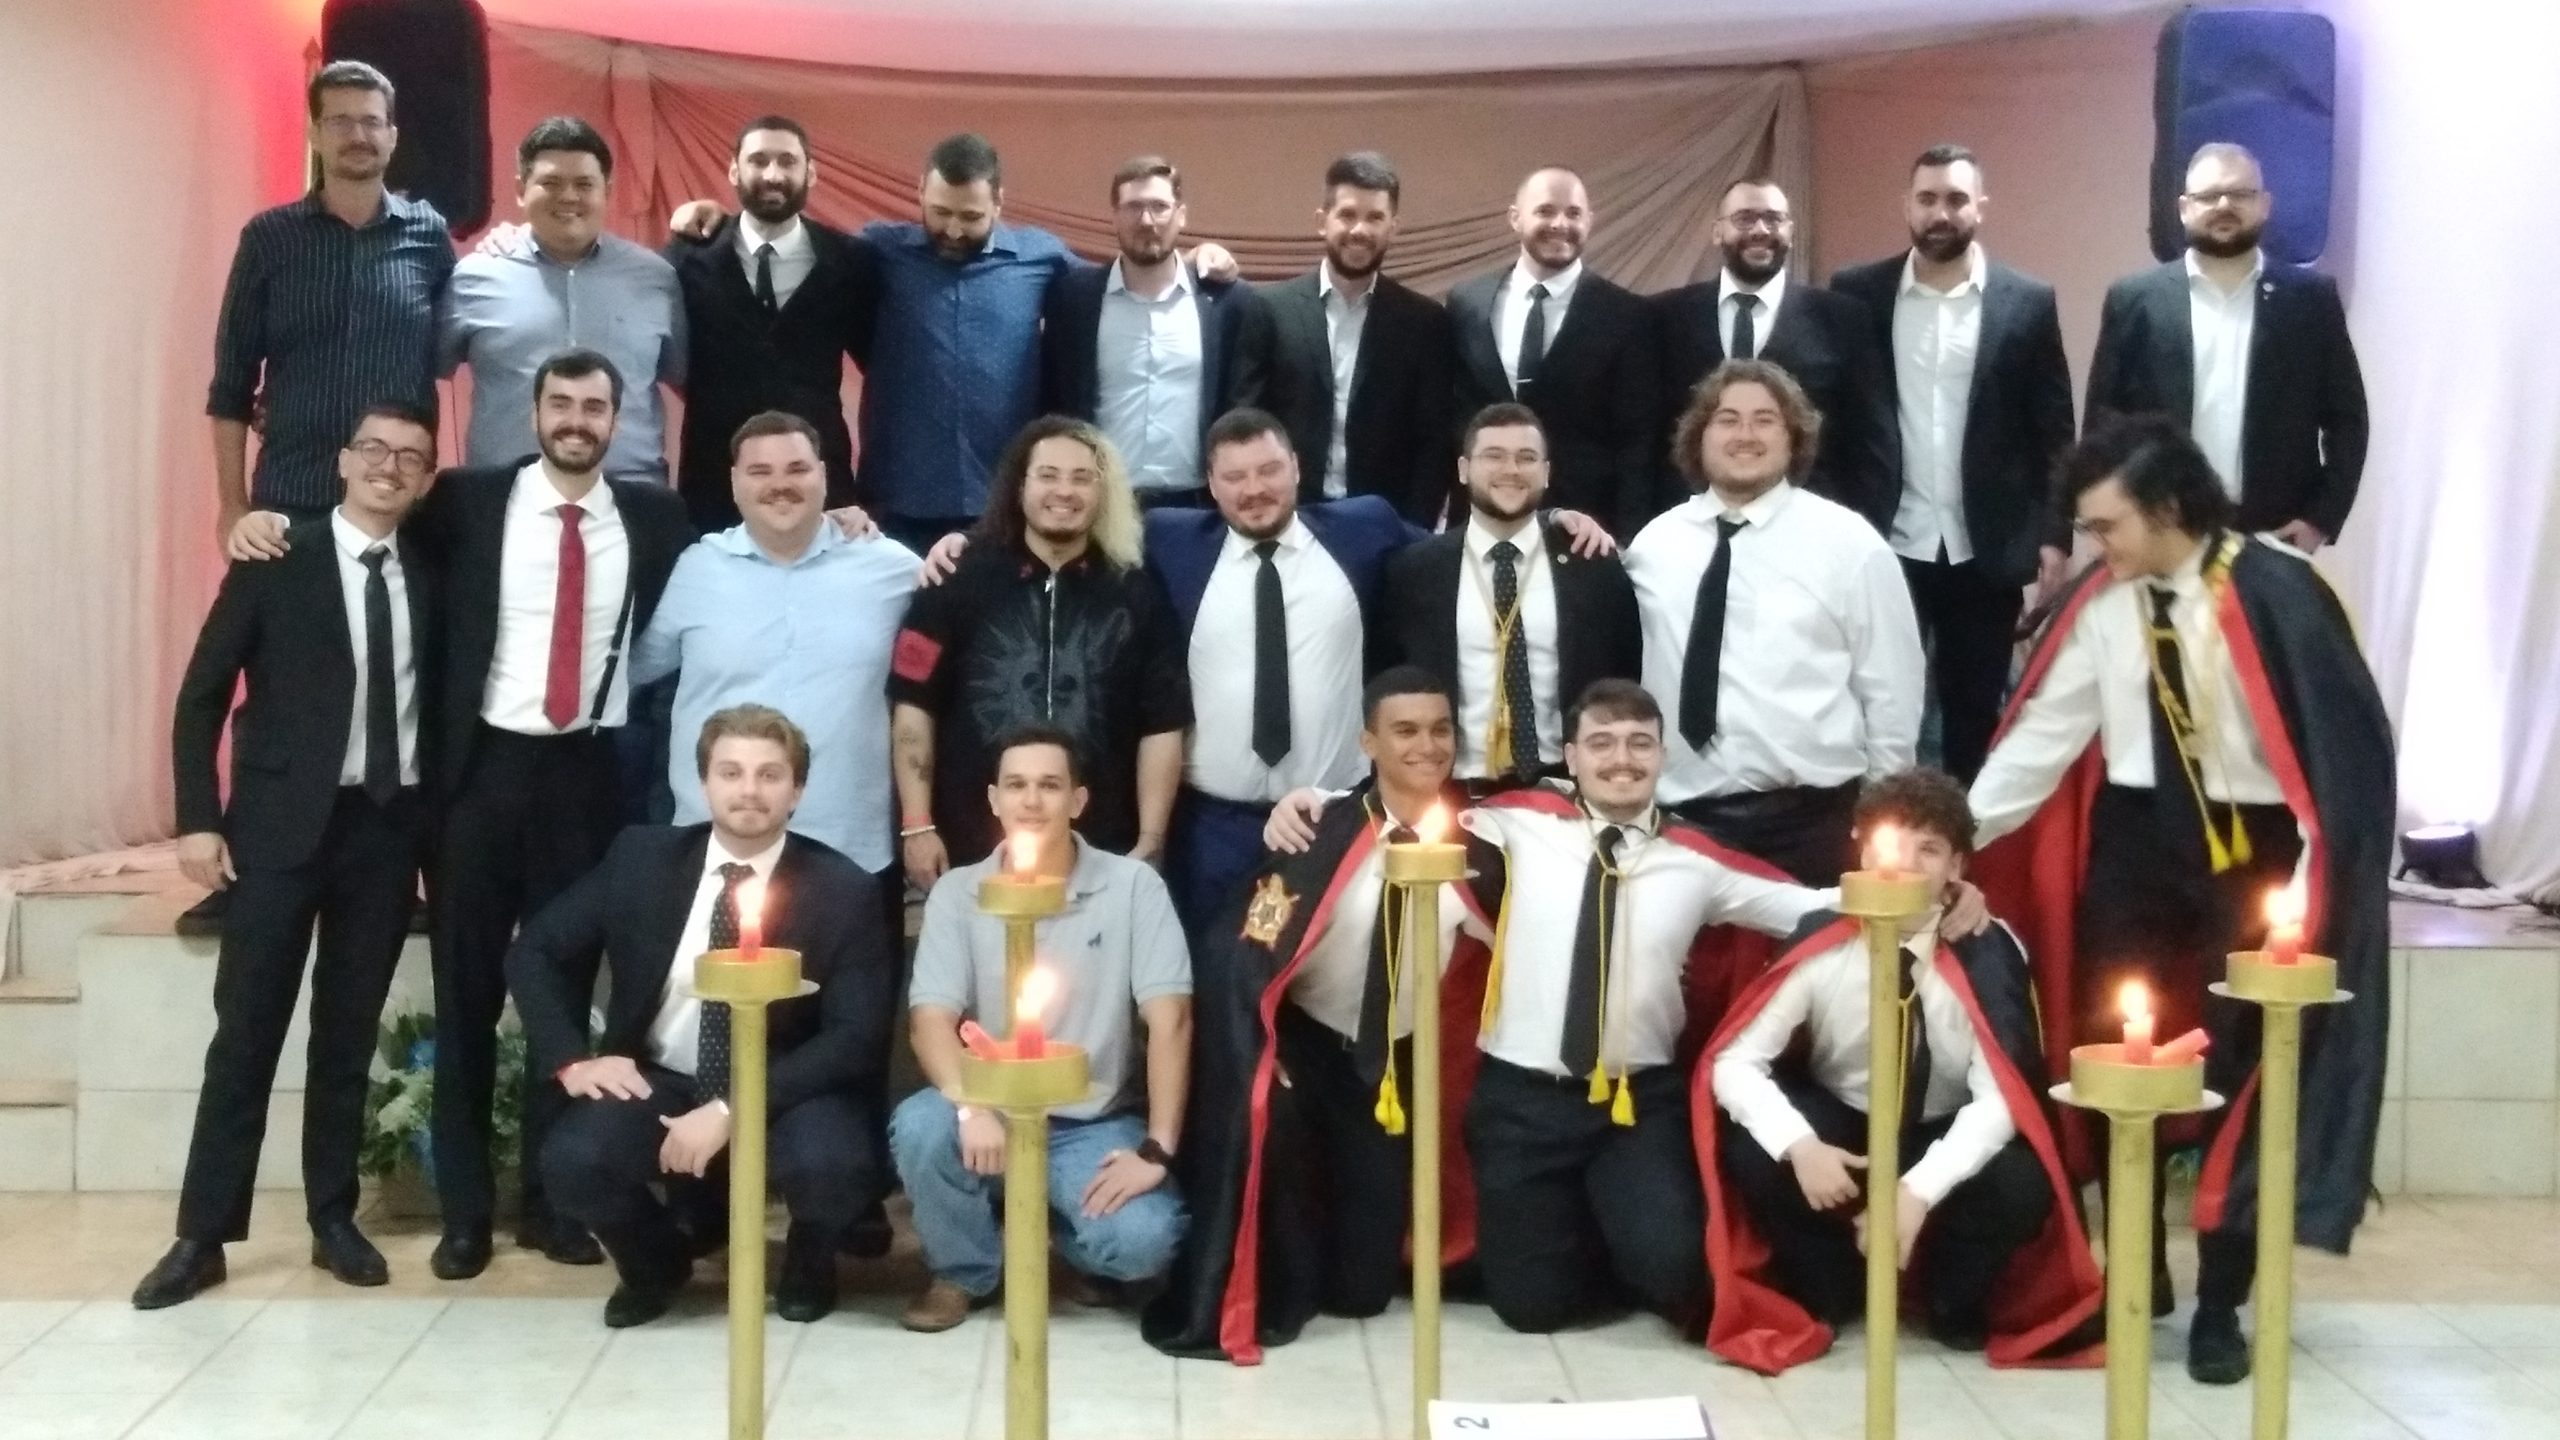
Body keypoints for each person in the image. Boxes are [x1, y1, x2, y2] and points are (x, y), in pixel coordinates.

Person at [1968, 415, 2394, 1384]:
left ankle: (2221, 1303)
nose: (2093, 546)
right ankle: (2138, 1271)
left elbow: (2335, 769)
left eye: (2105, 526)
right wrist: (1955, 834)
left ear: (2167, 510)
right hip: (2135, 849)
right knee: (2112, 1055)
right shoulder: (2102, 604)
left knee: (2246, 1075)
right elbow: (2044, 738)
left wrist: (2308, 899)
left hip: (2256, 860)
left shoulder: (2281, 592)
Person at [135, 405, 444, 1309]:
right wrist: (199, 820)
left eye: (412, 457)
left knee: (347, 1036)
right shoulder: (276, 556)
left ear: (427, 479)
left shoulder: (434, 570)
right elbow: (202, 697)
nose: (390, 466)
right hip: (276, 831)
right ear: (342, 461)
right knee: (246, 1033)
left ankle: (332, 1218)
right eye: (374, 449)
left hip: (384, 832)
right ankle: (203, 1235)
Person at [1145, 668, 1502, 1361]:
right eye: (1405, 731)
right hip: (1304, 1050)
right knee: (1271, 1135)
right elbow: (1243, 949)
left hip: (1389, 1065)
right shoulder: (1321, 831)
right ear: (1368, 742)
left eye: (1440, 730)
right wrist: (1258, 1046)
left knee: (1362, 1290)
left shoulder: (1481, 844)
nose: (1426, 746)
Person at [1453, 681, 1827, 1337]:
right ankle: (1580, 1232)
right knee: (1532, 1310)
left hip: (1635, 1106)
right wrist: (1311, 801)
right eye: (1601, 743)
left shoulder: (1698, 861)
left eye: (1639, 744)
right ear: (1571, 757)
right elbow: (1404, 810)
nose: (1621, 759)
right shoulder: (1518, 820)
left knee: (1675, 1271)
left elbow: (1815, 908)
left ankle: (1625, 1228)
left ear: (1661, 756)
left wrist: (1934, 894)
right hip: (1520, 1102)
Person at [511, 706, 899, 1327]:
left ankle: (809, 1260)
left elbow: (856, 1037)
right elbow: (536, 950)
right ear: (703, 782)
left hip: (787, 1086)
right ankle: (655, 1262)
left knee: (835, 1166)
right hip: (666, 1074)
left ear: (797, 790)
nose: (750, 790)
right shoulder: (641, 858)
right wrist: (573, 1061)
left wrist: (731, 1108)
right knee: (573, 1161)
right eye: (731, 772)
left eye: (770, 775)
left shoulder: (844, 889)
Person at [1703, 770, 2099, 1371]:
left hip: (1938, 1126)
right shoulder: (1823, 941)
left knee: (2022, 1180)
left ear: (1957, 868)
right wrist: (1800, 1146)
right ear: (1862, 851)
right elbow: (1735, 1060)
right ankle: (1831, 1282)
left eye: (1929, 850)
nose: (1905, 866)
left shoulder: (1991, 949)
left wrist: (1917, 1191)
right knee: (1755, 1150)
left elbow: (2001, 1098)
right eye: (1890, 844)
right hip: (1847, 1124)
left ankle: (1951, 1296)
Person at [670, 134, 1237, 553]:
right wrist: (714, 215)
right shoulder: (877, 251)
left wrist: (1194, 258)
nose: (954, 229)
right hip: (895, 503)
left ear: (999, 203)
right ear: (919, 192)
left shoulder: (1041, 258)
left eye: (971, 216)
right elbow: (791, 239)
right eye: (940, 213)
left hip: (1007, 504)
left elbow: (1123, 282)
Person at [891, 724, 1194, 1332]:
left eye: (1050, 786)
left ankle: (1063, 1233)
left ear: (1078, 800)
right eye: (1016, 785)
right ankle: (963, 1271)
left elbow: (1172, 1020)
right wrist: (969, 1106)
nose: (1031, 801)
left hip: (1092, 1120)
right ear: (993, 799)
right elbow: (930, 1020)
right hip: (992, 1108)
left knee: (1144, 1242)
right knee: (922, 1127)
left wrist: (1157, 1149)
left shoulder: (1133, 887)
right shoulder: (958, 892)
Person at [1829, 145, 2078, 783]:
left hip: (1985, 546)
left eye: (1957, 199)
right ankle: (1875, 834)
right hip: (1883, 541)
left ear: (1981, 207)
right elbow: (1835, 421)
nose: (1941, 213)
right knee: (1878, 710)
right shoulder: (1857, 294)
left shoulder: (2027, 301)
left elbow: (2054, 432)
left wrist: (2056, 536)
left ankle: (1965, 836)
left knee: (1975, 714)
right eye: (1928, 199)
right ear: (1906, 206)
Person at [1626, 360, 1924, 884]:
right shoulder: (1654, 546)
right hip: (1679, 826)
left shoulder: (1850, 545)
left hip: (1813, 826)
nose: (1745, 434)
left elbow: (1892, 694)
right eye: (1728, 419)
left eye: (1765, 420)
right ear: (1699, 436)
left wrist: (1884, 815)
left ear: (1794, 439)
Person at [890, 416, 1187, 886]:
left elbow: (1163, 723)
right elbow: (913, 707)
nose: (1064, 491)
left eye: (1081, 478)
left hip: (1103, 851)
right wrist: (917, 824)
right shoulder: (954, 578)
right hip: (970, 847)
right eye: (1048, 475)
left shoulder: (1138, 591)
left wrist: (1151, 839)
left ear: (1103, 491)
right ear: (1020, 485)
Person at [634, 410, 914, 870]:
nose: (780, 485)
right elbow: (628, 670)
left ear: (824, 476)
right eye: (760, 472)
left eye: (797, 469)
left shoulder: (891, 568)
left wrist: (958, 545)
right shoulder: (695, 569)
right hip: (715, 845)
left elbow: (967, 602)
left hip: (848, 852)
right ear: (734, 482)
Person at [209, 61, 452, 541]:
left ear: (392, 136)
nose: (357, 135)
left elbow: (463, 337)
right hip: (291, 503)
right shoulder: (268, 239)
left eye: (371, 121)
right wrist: (232, 506)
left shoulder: (429, 235)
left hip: (398, 505)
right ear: (316, 135)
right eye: (340, 121)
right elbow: (231, 385)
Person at [2085, 142, 2369, 550]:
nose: (2224, 205)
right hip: (2161, 533)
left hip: (2274, 538)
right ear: (2184, 209)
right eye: (2209, 196)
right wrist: (2111, 519)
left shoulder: (2311, 300)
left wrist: (2320, 519)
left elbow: (2348, 421)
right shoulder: (2135, 300)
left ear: (2264, 205)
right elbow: (2103, 425)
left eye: (2240, 194)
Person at [1382, 403, 1640, 794]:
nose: (1511, 469)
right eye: (1494, 456)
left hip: (1567, 790)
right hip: (1450, 792)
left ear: (1547, 472)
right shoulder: (1414, 571)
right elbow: (1388, 682)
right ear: (1464, 469)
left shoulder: (1592, 564)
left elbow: (1625, 674)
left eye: (1527, 458)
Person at [441, 116, 686, 481]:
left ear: (607, 190)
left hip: (630, 493)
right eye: (551, 183)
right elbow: (427, 369)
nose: (569, 196)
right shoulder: (475, 277)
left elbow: (686, 378)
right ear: (521, 189)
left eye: (584, 184)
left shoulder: (657, 279)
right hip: (504, 495)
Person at [663, 115, 876, 532]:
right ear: (733, 170)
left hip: (818, 480)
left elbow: (880, 361)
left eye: (787, 161)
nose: (773, 175)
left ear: (810, 173)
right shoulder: (688, 258)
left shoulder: (850, 262)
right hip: (714, 484)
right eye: (758, 160)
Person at [1652, 177, 1898, 532]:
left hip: (1810, 527)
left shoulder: (1843, 319)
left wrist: (1863, 533)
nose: (1760, 230)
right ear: (1717, 231)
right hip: (1691, 527)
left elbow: (1872, 441)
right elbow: (1647, 437)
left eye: (1773, 219)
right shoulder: (1665, 317)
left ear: (1790, 232)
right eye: (1744, 218)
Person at [1040, 156, 1273, 508]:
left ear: (1181, 215)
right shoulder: (1073, 299)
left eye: (1159, 207)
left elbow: (1244, 406)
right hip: (1099, 504)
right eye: (1133, 207)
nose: (1147, 221)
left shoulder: (1228, 303)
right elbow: (1052, 401)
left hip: (1199, 503)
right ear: (1114, 215)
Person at [1447, 167, 1659, 538]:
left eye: (1573, 213)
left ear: (1589, 221)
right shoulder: (1467, 302)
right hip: (1479, 520)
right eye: (1545, 211)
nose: (1560, 224)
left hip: (1585, 529)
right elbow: (1451, 415)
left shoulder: (1628, 316)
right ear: (1515, 218)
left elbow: (1637, 442)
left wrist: (1628, 538)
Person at [1256, 152, 1456, 523]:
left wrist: (1414, 530)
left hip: (1384, 523)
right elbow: (1249, 420)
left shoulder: (1425, 322)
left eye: (1375, 217)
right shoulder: (1270, 310)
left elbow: (1435, 440)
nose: (1360, 230)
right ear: (1322, 221)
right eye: (1347, 214)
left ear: (1393, 227)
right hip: (1286, 519)